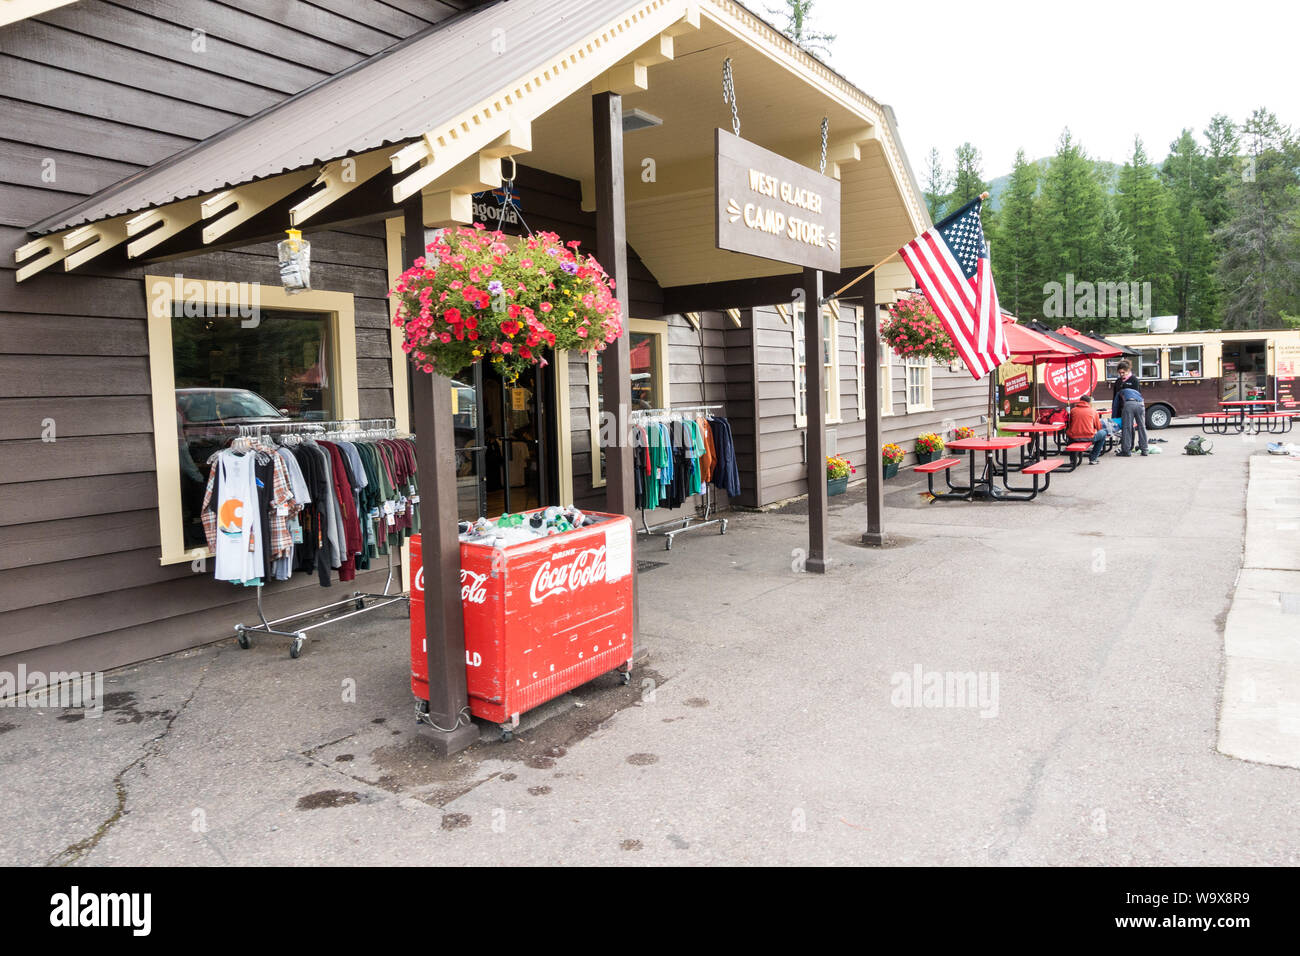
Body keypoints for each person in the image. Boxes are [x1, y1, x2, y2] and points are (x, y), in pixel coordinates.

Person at [1111, 361, 1149, 456]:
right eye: (1120, 373)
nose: (1122, 374)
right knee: (1139, 426)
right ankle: (1142, 449)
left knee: (1128, 427)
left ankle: (1127, 450)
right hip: (1137, 405)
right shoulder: (1118, 381)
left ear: (1129, 370)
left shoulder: (1134, 380)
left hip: (1130, 404)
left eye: (1124, 372)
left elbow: (1136, 394)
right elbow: (1115, 397)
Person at [1066, 398, 1107, 464]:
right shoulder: (1093, 411)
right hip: (1089, 437)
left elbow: (1070, 424)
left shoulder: (1073, 410)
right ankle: (1093, 458)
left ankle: (1073, 460)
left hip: (1074, 437)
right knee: (1104, 433)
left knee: (1070, 436)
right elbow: (1098, 427)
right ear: (1089, 402)